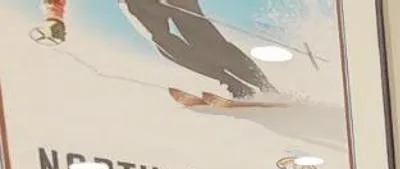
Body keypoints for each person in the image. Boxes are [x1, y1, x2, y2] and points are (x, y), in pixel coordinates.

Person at [37, 0, 278, 100]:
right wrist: (53, 18)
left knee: (207, 43)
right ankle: (234, 84)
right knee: (165, 44)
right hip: (137, 3)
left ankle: (267, 87)